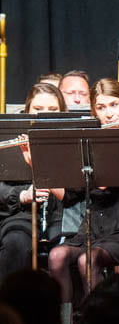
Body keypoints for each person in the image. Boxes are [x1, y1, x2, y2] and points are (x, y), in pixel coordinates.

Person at [45, 79, 119, 304]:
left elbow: (115, 188)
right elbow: (71, 195)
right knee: (56, 256)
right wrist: (38, 166)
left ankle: (100, 317)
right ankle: (64, 318)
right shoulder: (89, 144)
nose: (108, 114)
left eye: (113, 105)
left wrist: (98, 173)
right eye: (101, 108)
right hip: (92, 231)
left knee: (87, 261)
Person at [0, 84, 66, 282]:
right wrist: (22, 195)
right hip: (20, 215)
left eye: (53, 110)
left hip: (63, 216)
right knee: (16, 242)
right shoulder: (9, 135)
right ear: (27, 110)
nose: (44, 115)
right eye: (38, 109)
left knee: (71, 250)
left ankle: (70, 310)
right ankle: (11, 310)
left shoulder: (74, 137)